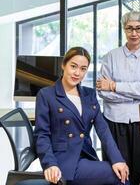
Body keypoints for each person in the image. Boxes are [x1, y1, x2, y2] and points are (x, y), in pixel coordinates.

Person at [34, 47, 129, 185]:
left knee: (121, 170)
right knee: (119, 177)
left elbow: (103, 130)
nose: (77, 73)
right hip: (63, 162)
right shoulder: (46, 94)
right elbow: (42, 134)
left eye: (83, 69)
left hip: (86, 155)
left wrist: (117, 159)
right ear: (63, 65)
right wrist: (50, 164)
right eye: (73, 66)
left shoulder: (89, 95)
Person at [96, 11, 140, 185]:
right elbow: (103, 92)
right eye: (129, 28)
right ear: (124, 29)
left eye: (138, 28)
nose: (134, 33)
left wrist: (115, 86)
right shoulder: (110, 57)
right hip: (114, 120)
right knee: (115, 169)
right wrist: (133, 95)